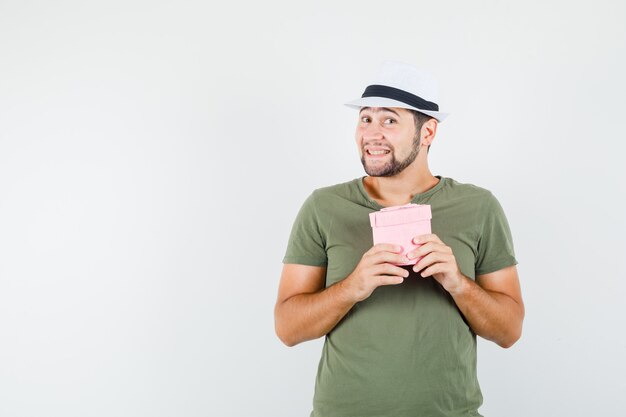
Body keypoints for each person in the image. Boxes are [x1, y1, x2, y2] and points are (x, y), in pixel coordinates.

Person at [274, 60, 524, 417]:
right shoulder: (324, 207)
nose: (372, 134)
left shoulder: (479, 207)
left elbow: (509, 331)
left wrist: (458, 283)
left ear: (428, 133)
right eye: (366, 119)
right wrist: (353, 287)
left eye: (390, 119)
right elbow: (287, 328)